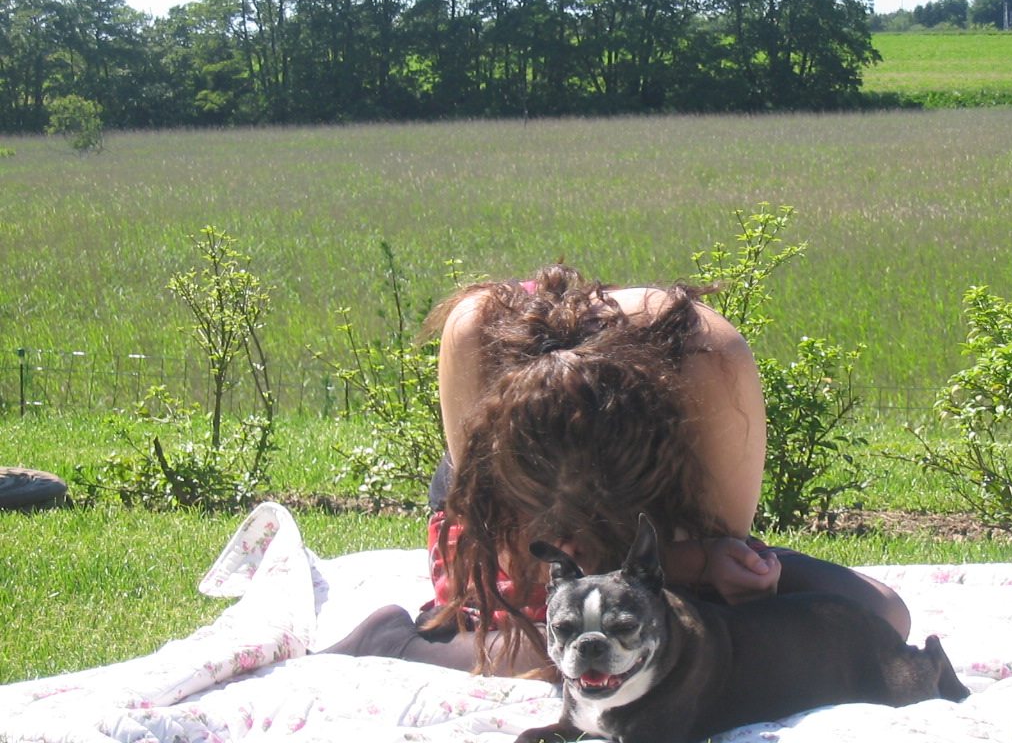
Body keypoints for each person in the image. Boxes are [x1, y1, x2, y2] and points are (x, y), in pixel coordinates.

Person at [325, 263, 910, 675]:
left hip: (671, 540)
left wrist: (717, 564)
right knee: (588, 652)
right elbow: (500, 545)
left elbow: (721, 541)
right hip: (507, 534)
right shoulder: (476, 330)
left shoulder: (708, 359)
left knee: (882, 618)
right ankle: (398, 643)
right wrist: (544, 546)